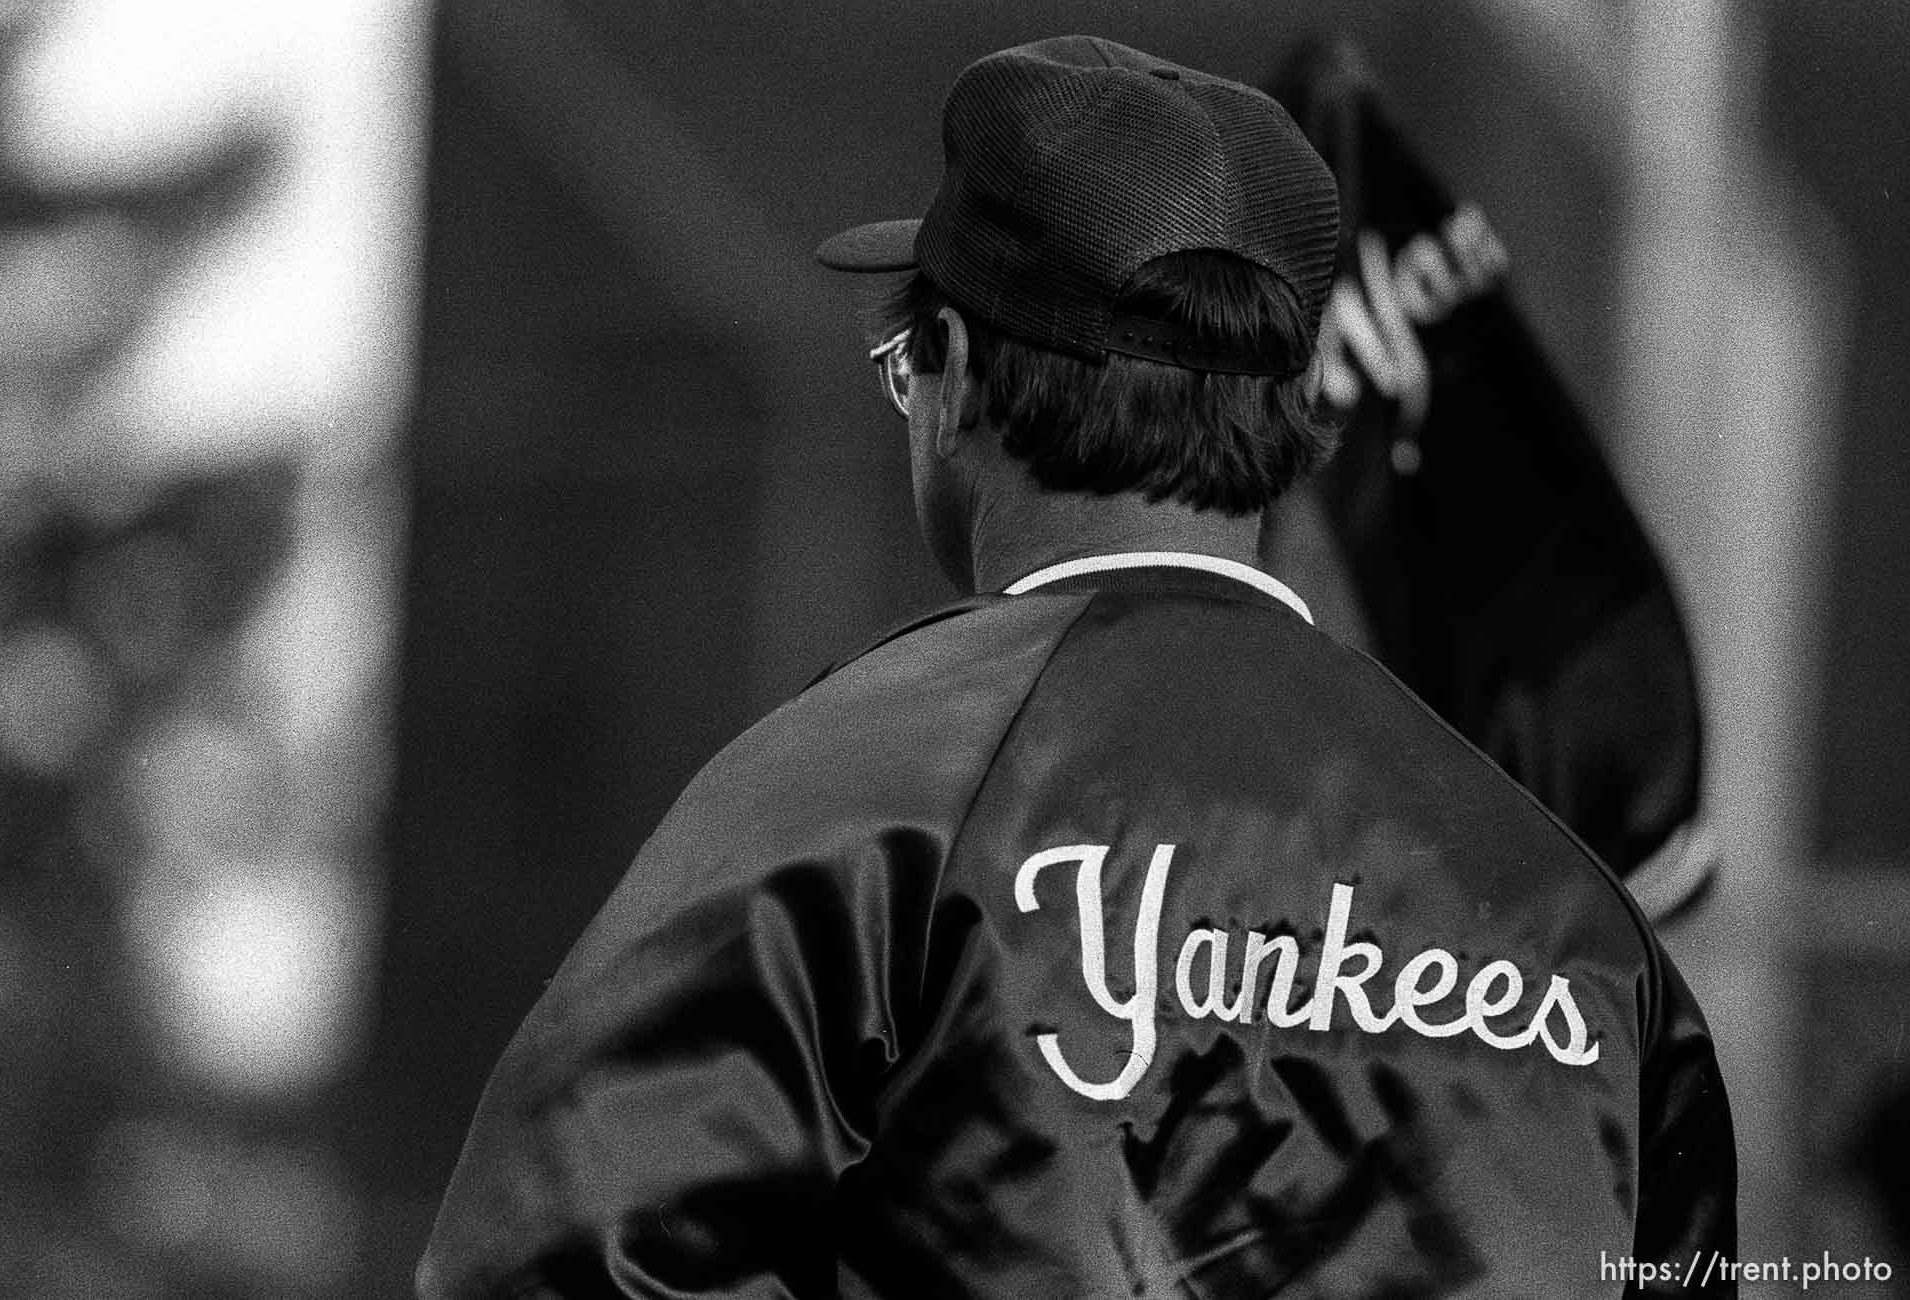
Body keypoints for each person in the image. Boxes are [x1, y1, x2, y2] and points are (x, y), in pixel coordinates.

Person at [417, 35, 1735, 1298]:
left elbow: (552, 1256)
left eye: (902, 367)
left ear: (958, 377)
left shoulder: (869, 787)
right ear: (1285, 413)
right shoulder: (1566, 913)